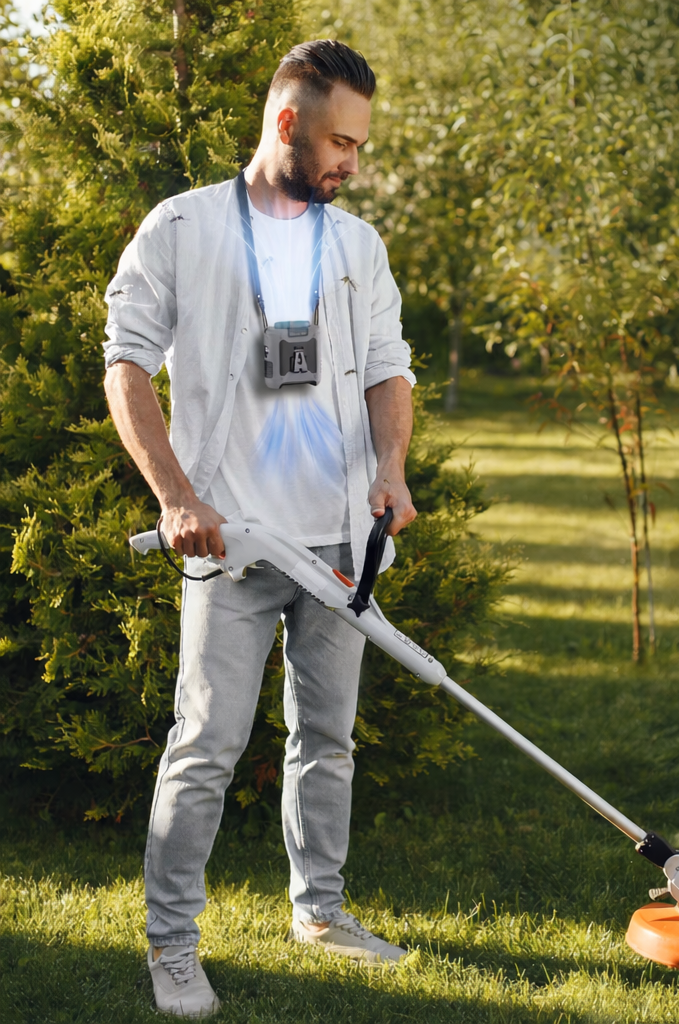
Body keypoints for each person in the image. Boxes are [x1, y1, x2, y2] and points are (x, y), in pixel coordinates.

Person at [103, 40, 416, 1018]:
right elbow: (126, 366)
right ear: (286, 122)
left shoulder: (355, 244)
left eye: (359, 147)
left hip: (336, 545)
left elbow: (385, 367)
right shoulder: (184, 229)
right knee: (204, 743)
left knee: (327, 738)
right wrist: (176, 496)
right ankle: (171, 944)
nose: (350, 164)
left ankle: (319, 913)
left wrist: (391, 470)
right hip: (232, 544)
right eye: (337, 141)